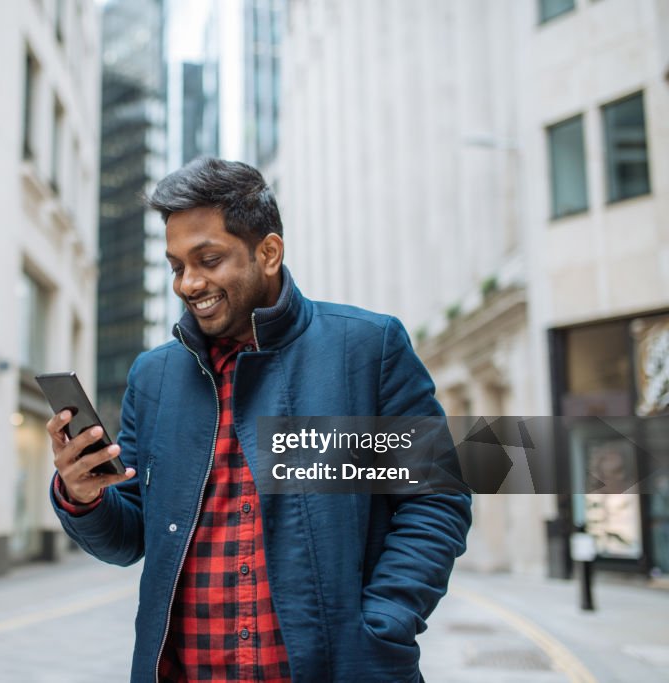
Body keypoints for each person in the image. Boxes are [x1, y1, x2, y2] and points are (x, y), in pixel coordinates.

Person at [48, 158, 472, 682]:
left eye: (208, 259)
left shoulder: (364, 349)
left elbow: (435, 503)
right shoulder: (153, 378)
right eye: (177, 265)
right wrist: (84, 496)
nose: (188, 283)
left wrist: (383, 623)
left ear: (268, 253)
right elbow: (129, 538)